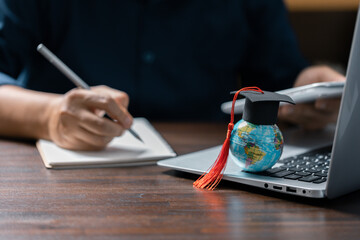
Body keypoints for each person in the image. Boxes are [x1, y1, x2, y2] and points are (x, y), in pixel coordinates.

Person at [0, 0, 345, 150]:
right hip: (59, 177)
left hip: (208, 176)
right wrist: (48, 117)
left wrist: (313, 89)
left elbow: (283, 79)